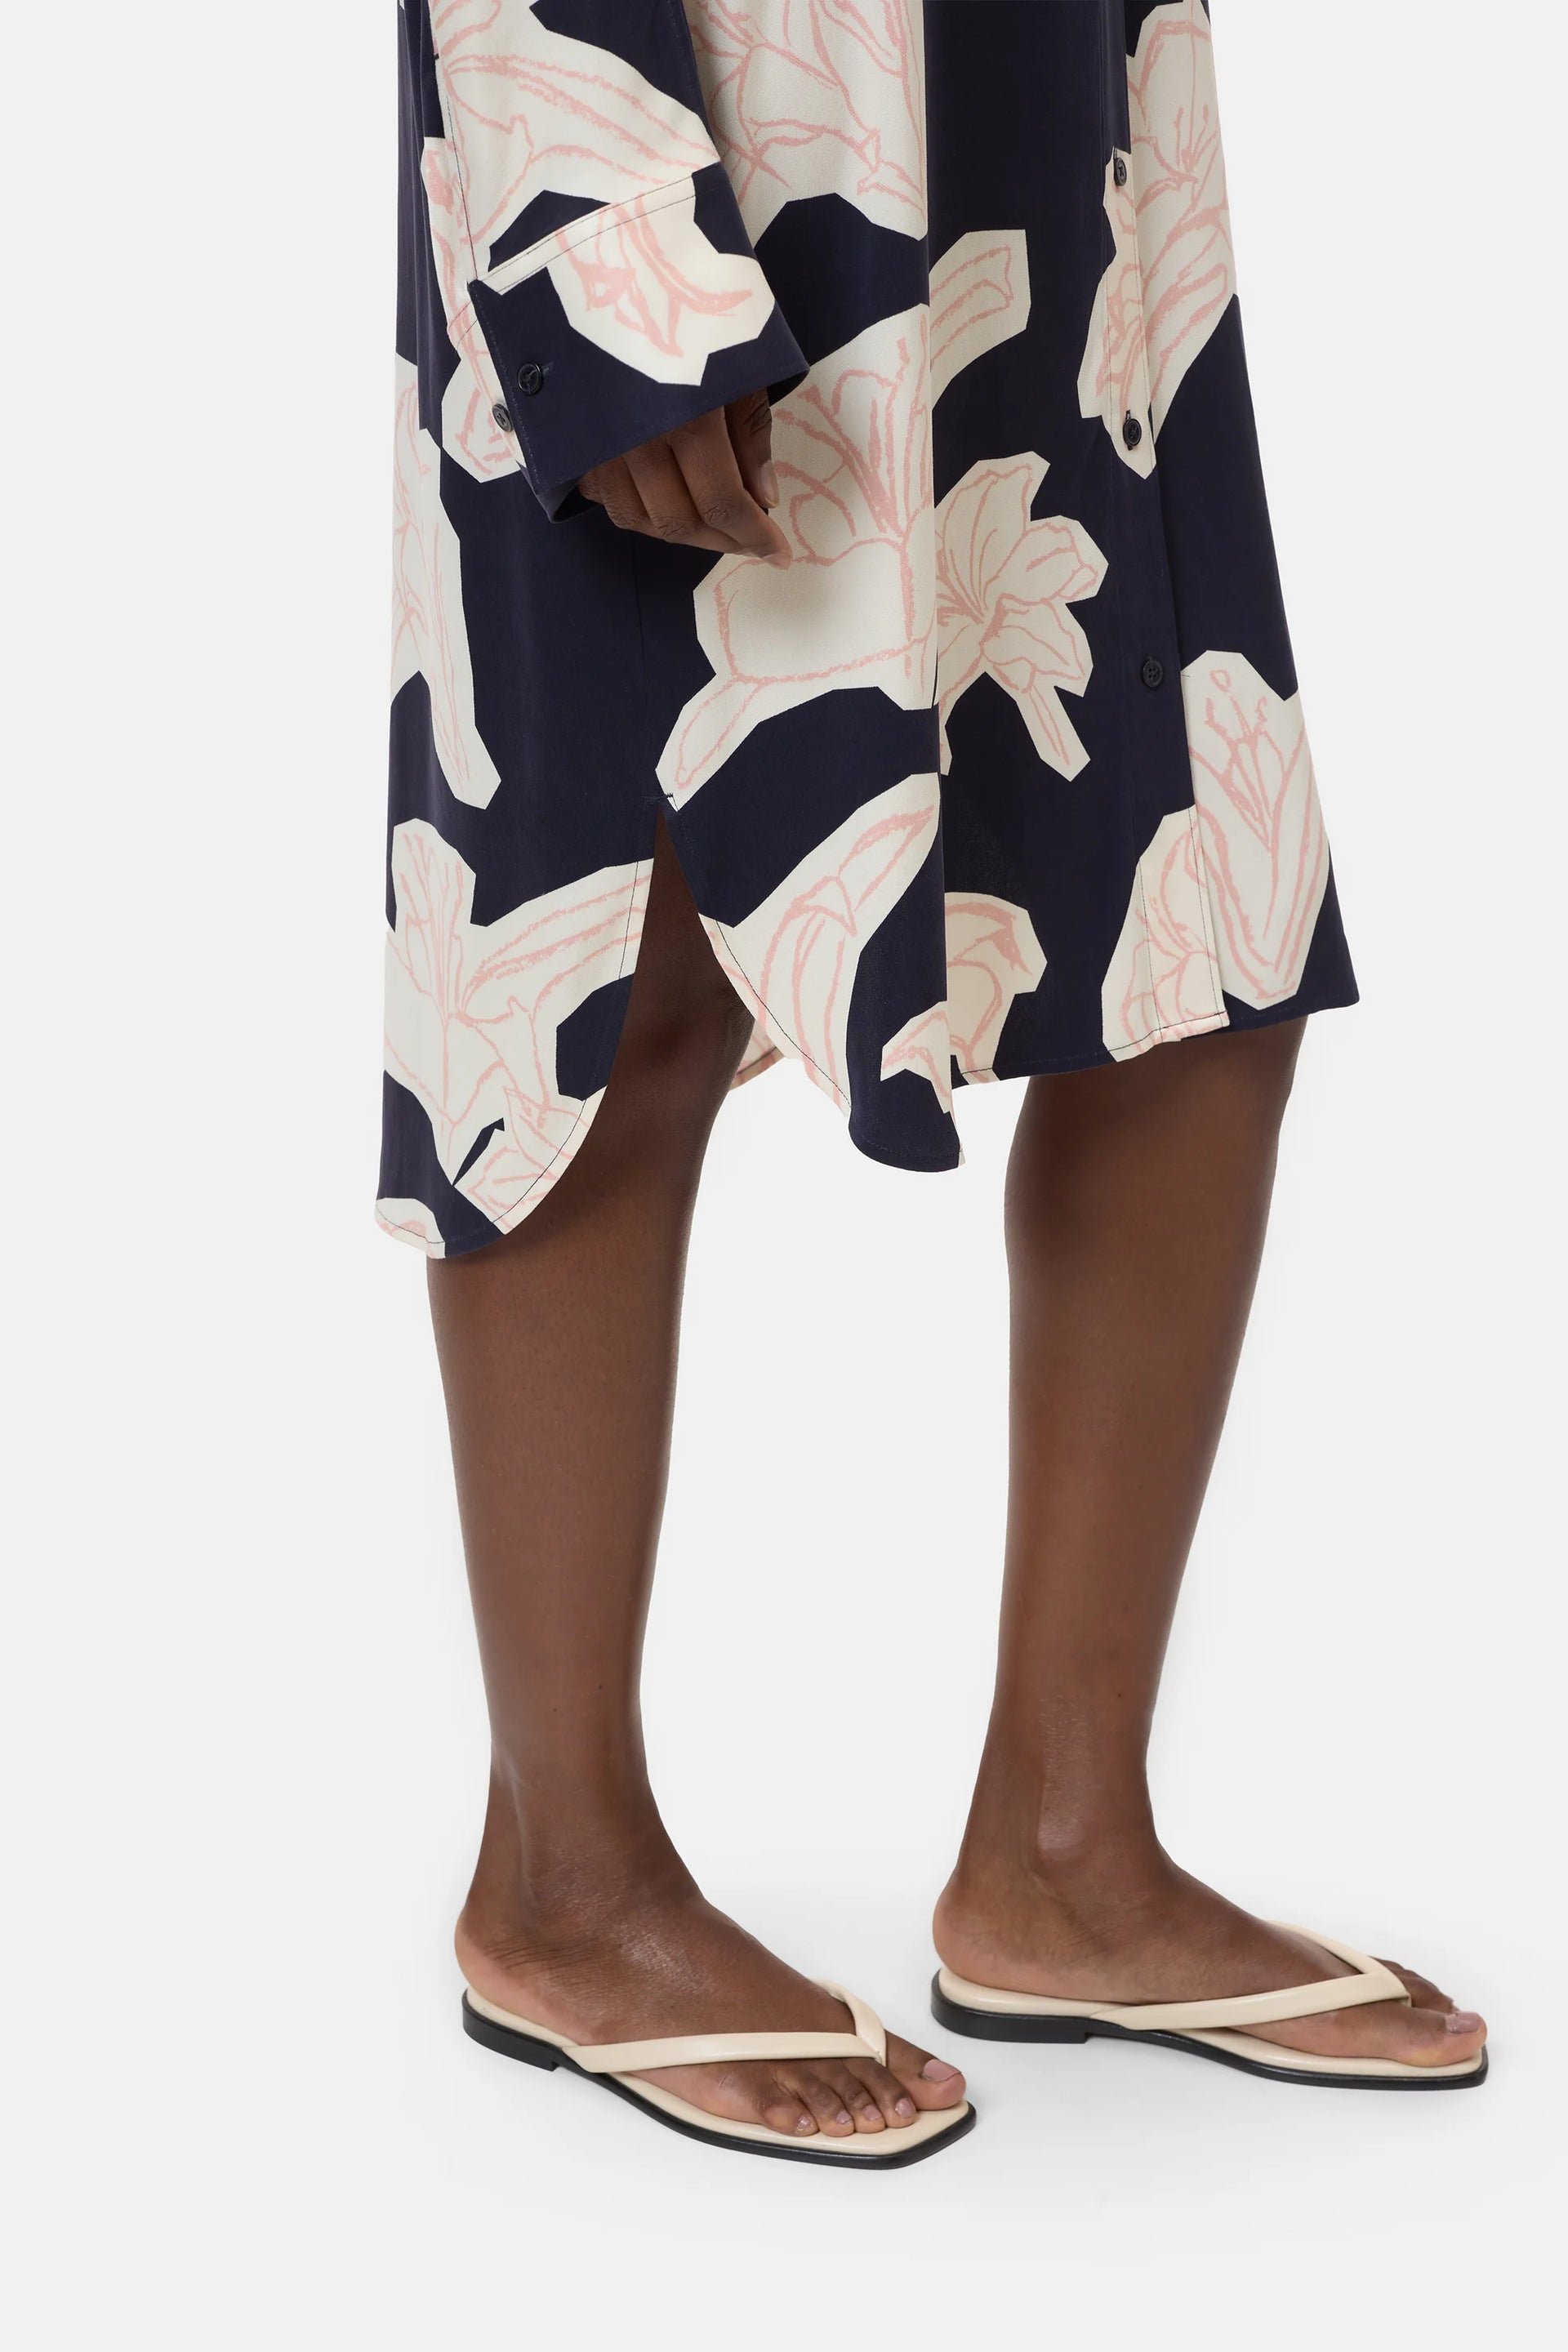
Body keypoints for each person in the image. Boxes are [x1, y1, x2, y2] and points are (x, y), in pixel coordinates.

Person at [378, 2, 1486, 2165]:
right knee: (612, 939)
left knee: (1195, 901)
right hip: (696, 92)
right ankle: (564, 1882)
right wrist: (600, 232)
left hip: (1056, 80)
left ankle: (1068, 1852)